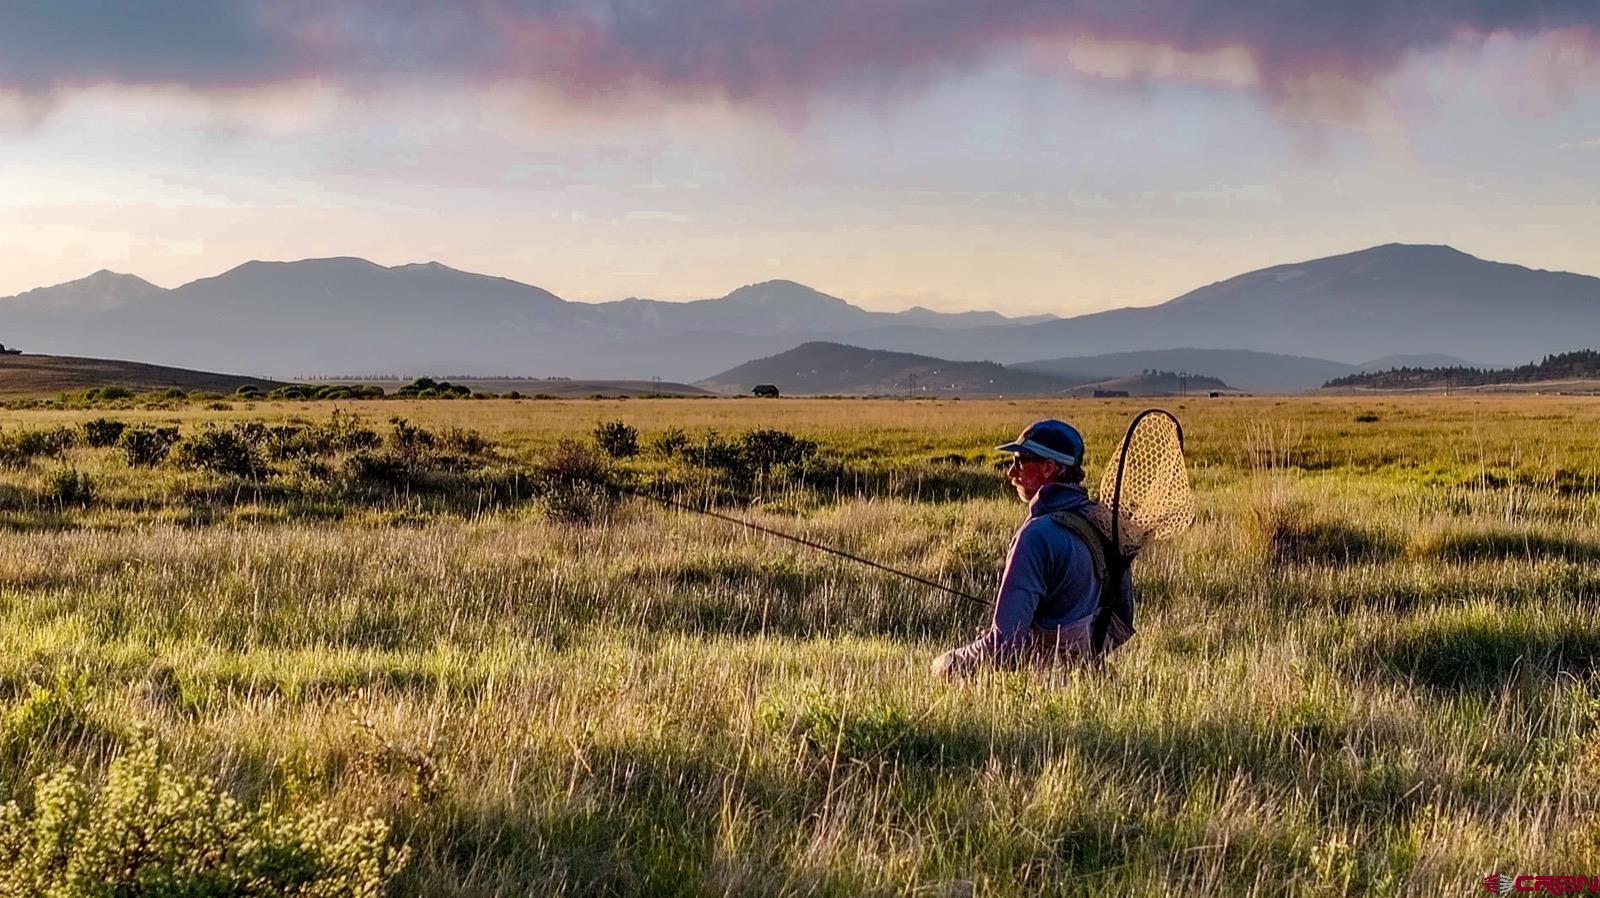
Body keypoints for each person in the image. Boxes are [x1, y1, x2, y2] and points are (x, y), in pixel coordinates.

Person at [932, 418, 1106, 678]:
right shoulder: (1098, 523)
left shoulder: (1036, 536)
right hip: (1089, 677)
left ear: (1049, 468)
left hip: (1044, 685)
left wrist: (949, 663)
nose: (1011, 473)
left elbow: (1004, 646)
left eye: (1020, 461)